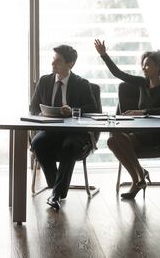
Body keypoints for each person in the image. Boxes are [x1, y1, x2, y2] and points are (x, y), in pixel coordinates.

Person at [94, 39, 160, 199]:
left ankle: (139, 176)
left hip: (157, 134)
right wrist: (104, 55)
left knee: (116, 137)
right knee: (112, 140)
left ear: (158, 68)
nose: (143, 68)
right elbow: (119, 73)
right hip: (139, 132)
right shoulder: (142, 83)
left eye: (148, 65)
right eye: (143, 65)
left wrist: (143, 112)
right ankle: (139, 177)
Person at [30, 45, 97, 210]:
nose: (53, 64)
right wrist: (42, 114)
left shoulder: (82, 84)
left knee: (70, 146)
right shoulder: (44, 81)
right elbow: (33, 108)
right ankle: (57, 189)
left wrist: (73, 110)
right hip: (50, 131)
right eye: (53, 60)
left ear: (70, 64)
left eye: (58, 61)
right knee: (37, 143)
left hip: (75, 133)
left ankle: (56, 194)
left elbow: (94, 109)